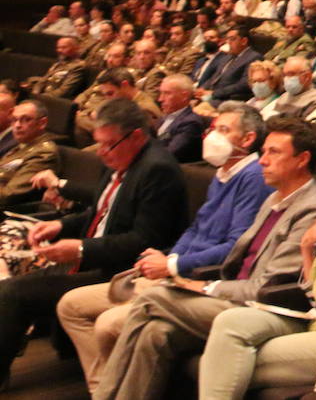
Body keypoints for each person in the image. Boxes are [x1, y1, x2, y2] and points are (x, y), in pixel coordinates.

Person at [87, 117, 316, 398]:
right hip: (232, 294)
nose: (263, 160)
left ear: (302, 159)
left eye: (273, 152)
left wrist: (206, 288)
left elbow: (266, 286)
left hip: (261, 308)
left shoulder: (311, 209)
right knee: (155, 331)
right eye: (263, 151)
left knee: (151, 298)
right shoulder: (274, 198)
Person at [58, 103, 272, 392]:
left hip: (201, 279)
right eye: (212, 128)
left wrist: (173, 265)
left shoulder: (254, 178)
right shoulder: (224, 174)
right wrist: (169, 257)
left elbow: (236, 247)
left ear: (247, 139)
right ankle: (106, 389)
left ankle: (112, 392)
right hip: (177, 271)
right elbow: (196, 229)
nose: (212, 136)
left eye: (223, 130)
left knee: (108, 324)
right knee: (71, 306)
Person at [0, 100, 188, 386]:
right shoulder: (116, 159)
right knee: (12, 279)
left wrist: (78, 249)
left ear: (136, 135)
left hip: (120, 271)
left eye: (108, 144)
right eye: (99, 144)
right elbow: (101, 211)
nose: (101, 152)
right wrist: (60, 225)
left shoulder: (158, 170)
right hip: (93, 255)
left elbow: (145, 239)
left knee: (13, 292)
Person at [0, 100, 59, 207]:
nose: (17, 125)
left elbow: (8, 195)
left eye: (26, 119)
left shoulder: (44, 152)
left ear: (42, 123)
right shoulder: (22, 144)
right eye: (14, 120)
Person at [154, 73, 209, 162]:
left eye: (167, 93)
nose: (160, 99)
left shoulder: (191, 123)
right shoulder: (164, 117)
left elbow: (169, 154)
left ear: (184, 96)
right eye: (160, 93)